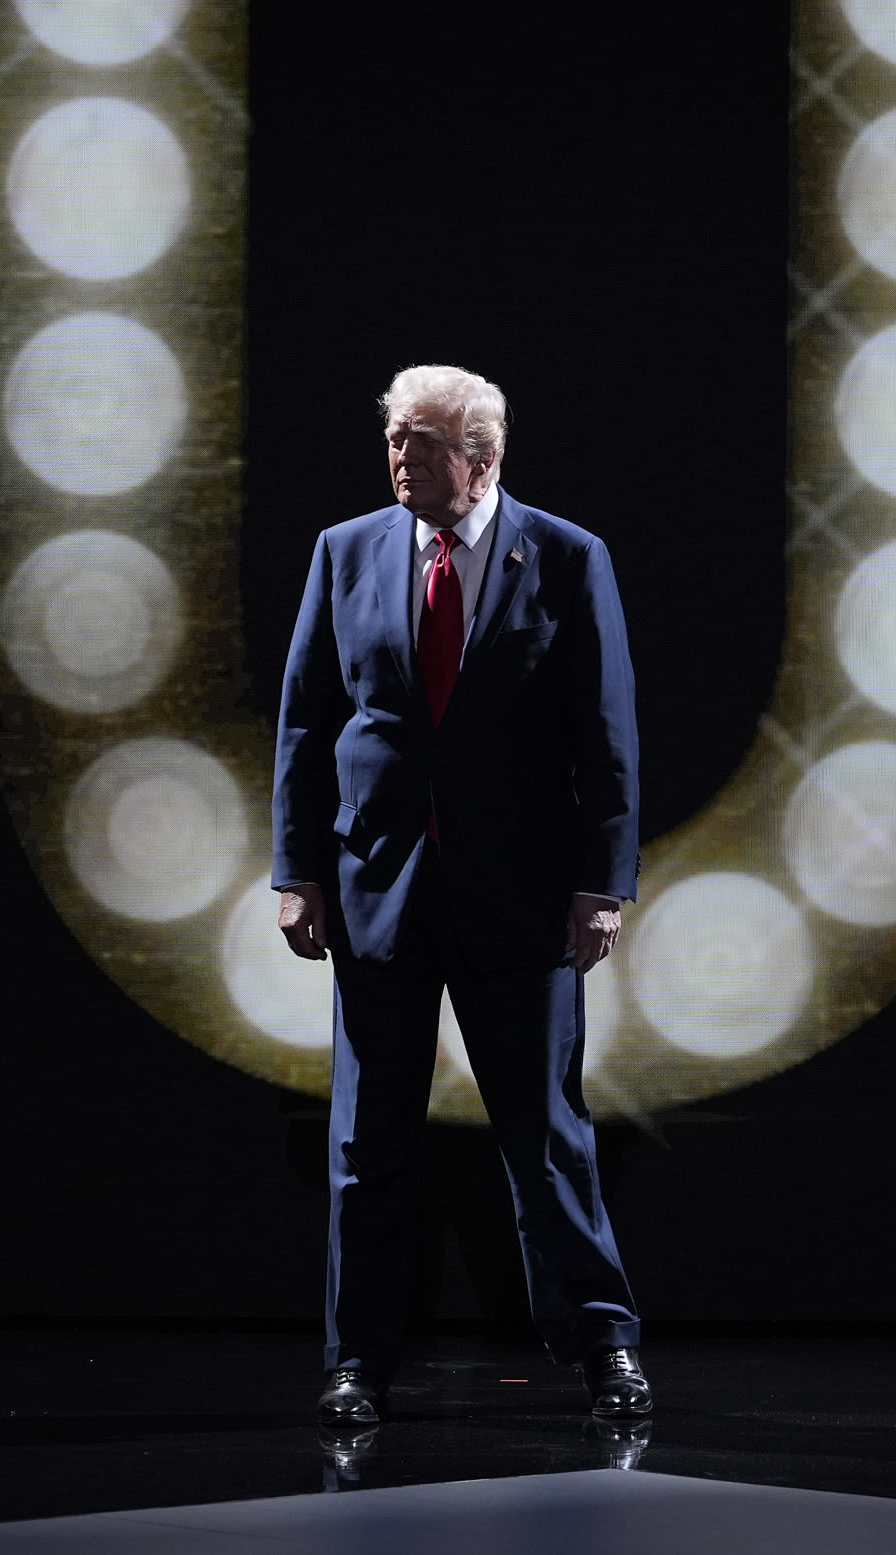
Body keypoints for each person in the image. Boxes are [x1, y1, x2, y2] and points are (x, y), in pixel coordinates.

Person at [271, 364, 649, 1427]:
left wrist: (599, 885)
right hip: (376, 887)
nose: (400, 457)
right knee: (367, 1144)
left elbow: (606, 738)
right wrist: (297, 869)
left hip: (521, 895)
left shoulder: (568, 558)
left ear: (480, 459)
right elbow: (306, 721)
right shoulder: (344, 552)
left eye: (421, 443)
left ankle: (602, 1343)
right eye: (393, 437)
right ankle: (357, 1361)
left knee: (546, 1134)